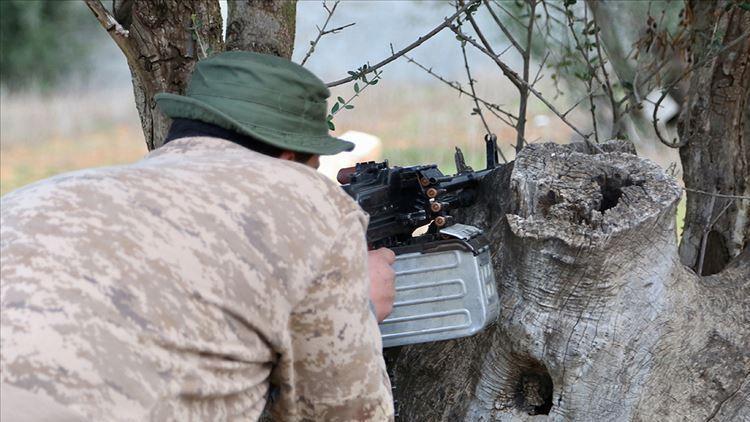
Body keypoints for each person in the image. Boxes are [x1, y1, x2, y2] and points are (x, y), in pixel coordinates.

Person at [0, 51, 395, 421]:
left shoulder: (32, 199)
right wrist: (361, 311)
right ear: (289, 159)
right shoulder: (310, 199)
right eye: (314, 164)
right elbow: (345, 412)